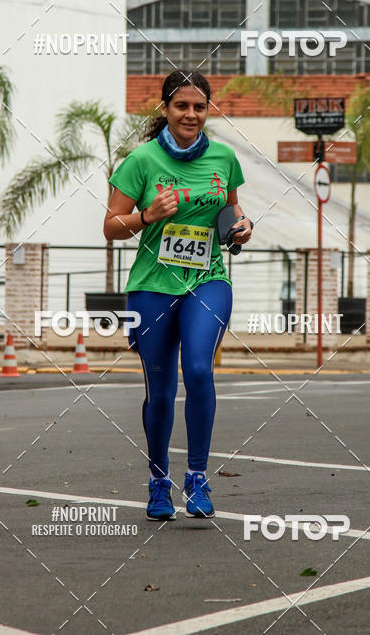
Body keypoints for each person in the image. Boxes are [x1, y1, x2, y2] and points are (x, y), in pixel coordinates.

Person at [103, 70, 252, 521]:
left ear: (208, 111)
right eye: (182, 106)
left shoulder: (225, 158)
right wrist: (147, 215)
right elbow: (110, 227)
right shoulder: (140, 161)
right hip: (152, 286)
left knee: (199, 369)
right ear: (165, 109)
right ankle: (158, 482)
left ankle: (198, 478)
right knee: (163, 391)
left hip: (207, 280)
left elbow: (232, 212)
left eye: (199, 107)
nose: (191, 114)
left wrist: (242, 228)